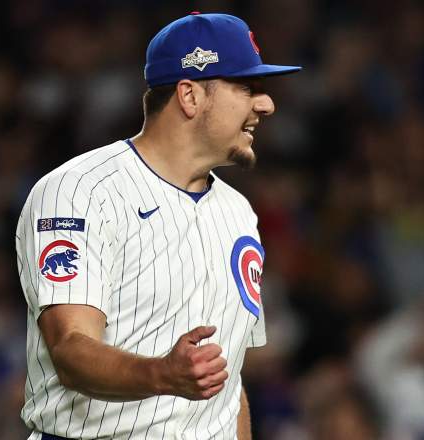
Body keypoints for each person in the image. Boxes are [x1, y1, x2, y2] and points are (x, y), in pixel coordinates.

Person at [16, 12, 300, 439]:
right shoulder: (80, 192)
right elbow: (70, 349)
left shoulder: (239, 213)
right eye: (247, 87)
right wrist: (162, 374)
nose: (266, 104)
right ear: (189, 96)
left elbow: (227, 383)